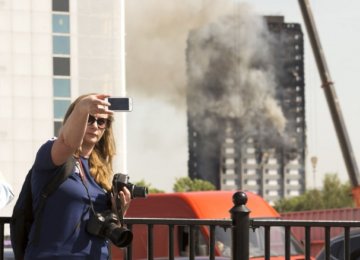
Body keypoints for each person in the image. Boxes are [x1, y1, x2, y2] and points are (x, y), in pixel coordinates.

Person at [24, 93, 131, 260]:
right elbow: (68, 143)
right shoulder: (52, 153)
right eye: (89, 119)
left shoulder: (101, 171)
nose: (95, 125)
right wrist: (83, 106)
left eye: (101, 121)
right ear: (74, 119)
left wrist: (118, 211)